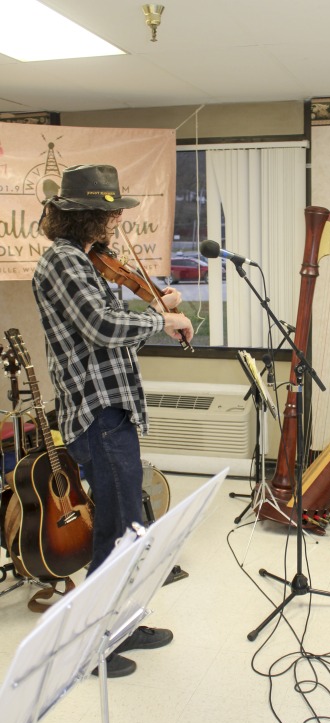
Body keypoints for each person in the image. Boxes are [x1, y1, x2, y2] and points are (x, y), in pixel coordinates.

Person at [32, 164, 194, 676]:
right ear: (86, 216)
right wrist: (161, 317)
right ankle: (92, 645)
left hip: (111, 406)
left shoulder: (84, 259)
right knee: (117, 530)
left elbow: (113, 331)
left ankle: (122, 622)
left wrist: (153, 312)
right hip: (96, 411)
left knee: (127, 523)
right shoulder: (63, 262)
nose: (113, 223)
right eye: (108, 215)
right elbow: (102, 327)